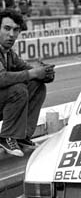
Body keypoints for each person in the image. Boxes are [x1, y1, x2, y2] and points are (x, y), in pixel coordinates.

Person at [0, 10, 54, 156]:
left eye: (16, 30)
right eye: (7, 28)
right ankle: (6, 137)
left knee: (37, 85)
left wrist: (45, 73)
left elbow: (29, 70)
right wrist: (33, 73)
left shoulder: (9, 53)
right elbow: (2, 78)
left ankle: (22, 136)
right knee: (18, 89)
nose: (11, 34)